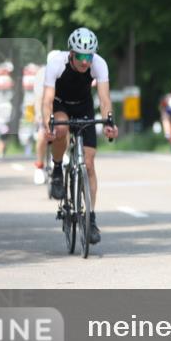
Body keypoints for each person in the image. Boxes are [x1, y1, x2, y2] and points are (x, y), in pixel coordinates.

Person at [43, 28, 119, 244]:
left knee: (89, 162)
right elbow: (47, 99)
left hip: (84, 106)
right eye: (81, 56)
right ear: (71, 53)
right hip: (60, 104)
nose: (86, 62)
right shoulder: (56, 63)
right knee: (61, 128)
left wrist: (109, 122)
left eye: (89, 56)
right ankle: (57, 169)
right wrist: (47, 122)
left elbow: (104, 99)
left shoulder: (99, 64)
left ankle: (91, 218)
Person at [32, 66, 49, 183]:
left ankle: (62, 155)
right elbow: (38, 98)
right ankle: (39, 166)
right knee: (42, 136)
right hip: (44, 108)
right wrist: (39, 114)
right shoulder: (43, 74)